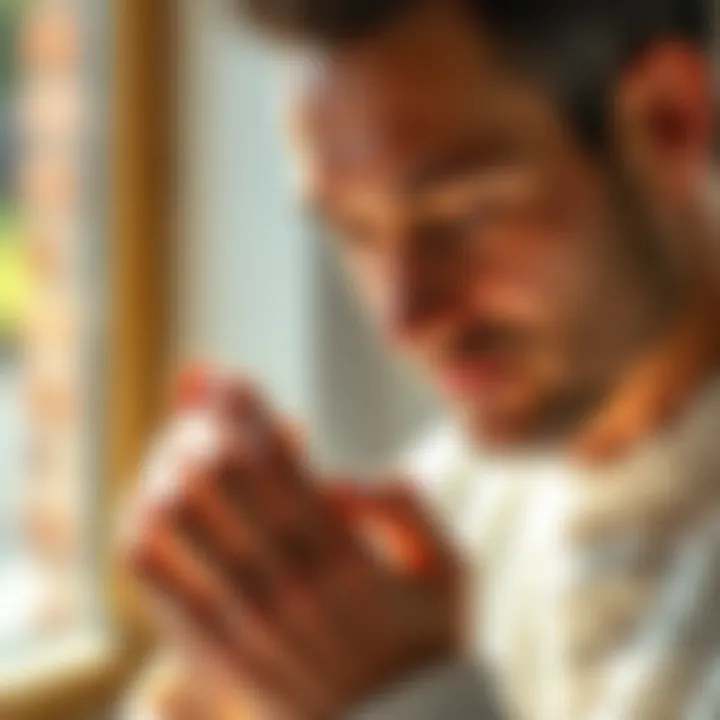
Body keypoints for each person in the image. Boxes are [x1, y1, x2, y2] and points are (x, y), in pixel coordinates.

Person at [123, 1, 720, 718]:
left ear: (668, 121)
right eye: (355, 231)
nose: (402, 319)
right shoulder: (450, 508)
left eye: (462, 215)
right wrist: (220, 676)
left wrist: (405, 698)